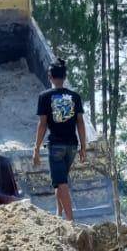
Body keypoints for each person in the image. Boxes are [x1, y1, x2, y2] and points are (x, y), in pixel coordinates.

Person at [32, 59, 87, 221]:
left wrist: (36, 148)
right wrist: (83, 146)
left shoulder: (44, 97)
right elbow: (80, 123)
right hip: (72, 145)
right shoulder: (75, 96)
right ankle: (59, 215)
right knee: (60, 181)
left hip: (56, 145)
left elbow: (42, 124)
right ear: (65, 76)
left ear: (49, 76)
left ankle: (70, 221)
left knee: (61, 183)